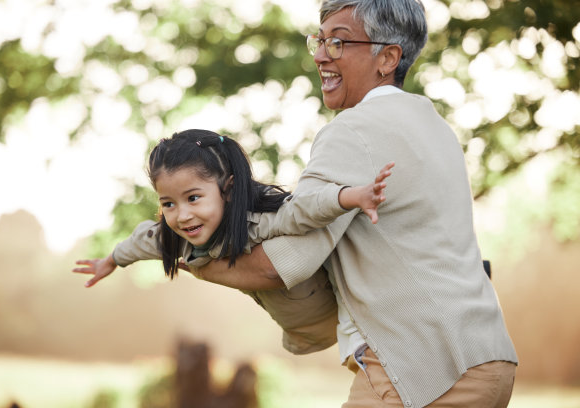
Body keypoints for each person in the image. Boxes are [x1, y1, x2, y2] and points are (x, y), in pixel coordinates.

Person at [183, 1, 519, 407]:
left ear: (388, 58)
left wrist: (190, 254)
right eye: (320, 40)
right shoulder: (436, 127)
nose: (322, 55)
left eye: (339, 43)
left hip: (423, 368)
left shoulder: (352, 131)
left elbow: (282, 262)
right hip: (488, 358)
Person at [74, 128, 394, 354]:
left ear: (227, 189)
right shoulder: (176, 238)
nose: (182, 215)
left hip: (341, 308)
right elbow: (140, 241)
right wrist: (110, 261)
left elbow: (303, 208)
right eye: (168, 203)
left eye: (193, 197)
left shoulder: (261, 218)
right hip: (303, 330)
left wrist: (352, 196)